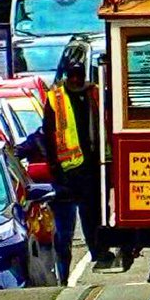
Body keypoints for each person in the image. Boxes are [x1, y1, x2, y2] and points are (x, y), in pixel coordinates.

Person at [43, 52, 111, 282]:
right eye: (72, 76)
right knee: (67, 226)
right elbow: (48, 134)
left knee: (93, 212)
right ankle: (64, 268)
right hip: (67, 170)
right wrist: (55, 166)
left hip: (92, 164)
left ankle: (97, 250)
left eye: (79, 76)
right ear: (67, 76)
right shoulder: (55, 98)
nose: (75, 80)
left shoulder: (94, 93)